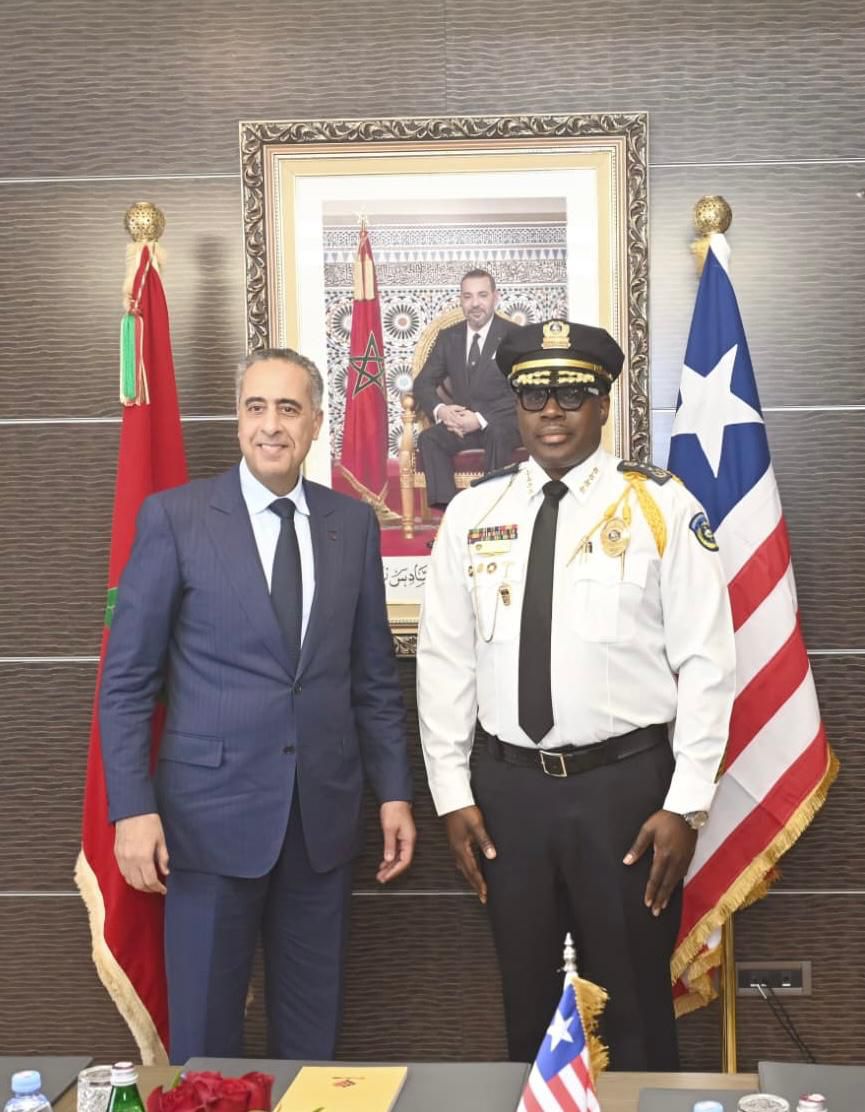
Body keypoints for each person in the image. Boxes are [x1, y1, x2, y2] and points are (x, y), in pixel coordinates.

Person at [416, 320, 736, 1069]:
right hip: (507, 795)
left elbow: (707, 663)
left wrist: (686, 803)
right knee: (528, 1001)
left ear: (602, 405)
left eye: (571, 393)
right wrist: (451, 794)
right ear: (515, 406)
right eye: (534, 396)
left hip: (625, 792)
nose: (551, 411)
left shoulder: (659, 505)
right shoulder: (472, 514)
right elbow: (445, 663)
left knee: (634, 1004)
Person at [100, 348, 416, 1062]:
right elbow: (127, 680)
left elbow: (372, 677)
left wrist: (395, 793)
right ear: (238, 418)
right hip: (206, 822)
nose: (271, 425)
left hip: (321, 821)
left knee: (312, 1042)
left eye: (288, 409)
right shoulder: (176, 518)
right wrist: (132, 808)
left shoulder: (351, 524)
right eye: (255, 407)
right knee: (206, 1043)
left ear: (315, 423)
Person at [414, 269, 522, 507]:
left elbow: (523, 391)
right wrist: (442, 411)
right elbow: (422, 383)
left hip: (502, 424)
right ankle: (450, 512)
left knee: (496, 432)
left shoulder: (515, 336)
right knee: (429, 439)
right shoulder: (449, 337)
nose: (475, 303)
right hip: (461, 426)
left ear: (495, 297)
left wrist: (481, 419)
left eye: (482, 295)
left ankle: (492, 512)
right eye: (468, 296)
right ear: (461, 300)